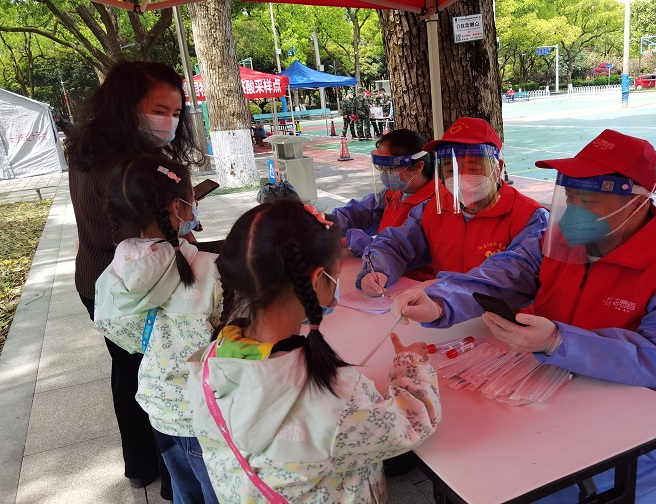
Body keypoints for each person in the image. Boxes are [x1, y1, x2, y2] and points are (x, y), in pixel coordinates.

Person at [393, 129, 656, 504]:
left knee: (523, 485)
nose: (573, 210)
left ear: (637, 201)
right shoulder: (561, 239)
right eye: (569, 196)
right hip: (557, 386)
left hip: (652, 420)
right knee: (475, 461)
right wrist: (441, 301)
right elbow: (507, 272)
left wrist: (559, 341)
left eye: (588, 199)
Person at [185, 199, 441, 503]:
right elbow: (413, 422)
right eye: (335, 274)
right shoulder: (335, 396)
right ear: (317, 280)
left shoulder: (210, 358)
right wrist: (411, 364)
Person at [64, 60, 204, 496]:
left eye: (176, 113)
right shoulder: (136, 169)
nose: (169, 122)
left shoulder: (87, 150)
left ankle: (139, 465)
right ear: (126, 106)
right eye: (158, 110)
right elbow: (156, 237)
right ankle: (175, 475)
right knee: (161, 377)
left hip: (97, 282)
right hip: (137, 288)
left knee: (128, 371)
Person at [94, 155, 221, 504]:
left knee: (184, 490)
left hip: (159, 404)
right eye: (192, 200)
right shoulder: (210, 270)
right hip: (201, 411)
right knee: (216, 492)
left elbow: (117, 329)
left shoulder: (119, 269)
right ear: (178, 207)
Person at [357, 117, 547, 297]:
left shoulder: (529, 217)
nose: (460, 176)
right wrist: (377, 270)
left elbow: (512, 276)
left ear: (498, 168)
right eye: (450, 169)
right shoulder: (433, 208)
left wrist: (445, 300)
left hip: (501, 317)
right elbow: (397, 243)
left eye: (473, 168)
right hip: (440, 312)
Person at [331, 129, 436, 261]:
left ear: (418, 167)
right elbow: (358, 213)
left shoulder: (435, 204)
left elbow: (393, 247)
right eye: (381, 168)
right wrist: (326, 224)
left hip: (411, 273)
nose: (385, 173)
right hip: (383, 268)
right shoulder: (393, 194)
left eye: (391, 168)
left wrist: (348, 241)